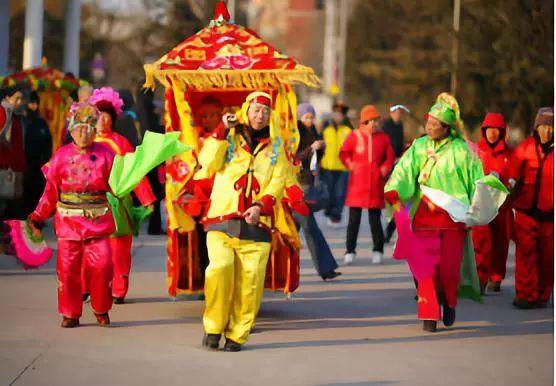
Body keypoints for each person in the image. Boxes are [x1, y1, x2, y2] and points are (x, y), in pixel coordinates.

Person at [194, 91, 288, 352]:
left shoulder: (277, 146)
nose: (260, 115)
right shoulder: (228, 136)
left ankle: (237, 335)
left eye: (265, 111)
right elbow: (207, 163)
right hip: (222, 219)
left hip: (257, 226)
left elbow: (278, 181)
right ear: (246, 111)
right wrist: (222, 130)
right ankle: (213, 327)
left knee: (250, 284)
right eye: (256, 109)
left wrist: (260, 206)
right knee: (219, 271)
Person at [385, 94, 486, 332]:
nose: (429, 127)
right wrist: (393, 190)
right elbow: (403, 172)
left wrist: (481, 203)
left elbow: (477, 182)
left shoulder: (462, 151)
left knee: (449, 272)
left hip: (453, 221)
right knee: (425, 270)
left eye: (434, 123)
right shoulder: (419, 147)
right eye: (428, 122)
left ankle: (449, 301)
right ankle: (429, 313)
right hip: (424, 219)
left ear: (446, 127)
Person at [28, 103, 115, 327]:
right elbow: (50, 192)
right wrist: (38, 216)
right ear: (71, 129)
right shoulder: (61, 156)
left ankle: (101, 308)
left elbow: (119, 184)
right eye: (79, 128)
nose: (83, 132)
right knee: (67, 270)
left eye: (88, 127)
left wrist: (136, 203)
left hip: (98, 221)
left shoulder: (108, 154)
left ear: (95, 130)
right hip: (69, 224)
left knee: (103, 267)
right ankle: (70, 312)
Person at [90, 87, 156, 304]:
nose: (102, 120)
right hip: (92, 203)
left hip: (119, 203)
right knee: (92, 249)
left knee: (119, 249)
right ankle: (92, 286)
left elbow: (135, 173)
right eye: (97, 115)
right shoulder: (85, 141)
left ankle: (119, 288)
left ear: (113, 118)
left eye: (105, 115)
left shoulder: (121, 143)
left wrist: (147, 198)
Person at [510, 107, 553, 309]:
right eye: (544, 126)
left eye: (551, 126)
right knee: (526, 254)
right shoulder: (524, 148)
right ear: (537, 127)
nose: (547, 131)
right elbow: (511, 175)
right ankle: (525, 295)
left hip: (550, 214)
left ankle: (543, 295)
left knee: (547, 257)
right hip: (526, 211)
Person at [340, 105, 395, 265]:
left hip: (375, 184)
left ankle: (378, 249)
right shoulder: (354, 136)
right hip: (357, 184)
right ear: (364, 122)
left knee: (375, 220)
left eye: (376, 121)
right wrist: (350, 164)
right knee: (353, 220)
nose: (374, 124)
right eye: (371, 121)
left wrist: (383, 170)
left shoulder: (383, 138)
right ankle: (350, 250)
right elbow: (344, 153)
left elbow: (389, 157)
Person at [295, 102, 341, 280]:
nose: (310, 120)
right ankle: (326, 268)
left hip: (309, 182)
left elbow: (315, 160)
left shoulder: (314, 131)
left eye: (311, 116)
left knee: (297, 230)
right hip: (298, 186)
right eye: (306, 117)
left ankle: (326, 268)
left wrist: (320, 149)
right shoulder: (294, 133)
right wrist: (311, 149)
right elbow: (296, 158)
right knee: (310, 229)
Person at [471, 113, 513, 294]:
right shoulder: (475, 151)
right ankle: (480, 279)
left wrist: (508, 181)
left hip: (502, 207)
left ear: (502, 132)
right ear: (484, 131)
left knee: (501, 243)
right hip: (481, 205)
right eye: (489, 129)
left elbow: (515, 175)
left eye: (496, 130)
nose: (492, 133)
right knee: (481, 243)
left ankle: (496, 277)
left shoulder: (510, 153)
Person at [320, 101, 351, 227]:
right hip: (327, 166)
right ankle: (328, 212)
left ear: (343, 116)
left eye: (340, 114)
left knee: (340, 193)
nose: (337, 116)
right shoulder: (326, 128)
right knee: (328, 192)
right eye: (335, 113)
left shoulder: (348, 130)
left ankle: (336, 216)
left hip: (343, 167)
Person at [382, 104, 410, 243]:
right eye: (397, 112)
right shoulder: (386, 126)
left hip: (397, 165)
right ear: (391, 112)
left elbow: (398, 145)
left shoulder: (399, 126)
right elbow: (385, 145)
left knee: (397, 200)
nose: (399, 114)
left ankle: (390, 231)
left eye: (401, 112)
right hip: (388, 165)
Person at [23, 91, 52, 216]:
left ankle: (35, 216)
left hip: (38, 164)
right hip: (23, 163)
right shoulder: (22, 121)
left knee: (37, 190)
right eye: (31, 103)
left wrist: (46, 160)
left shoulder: (41, 123)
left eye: (35, 103)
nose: (33, 106)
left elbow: (48, 142)